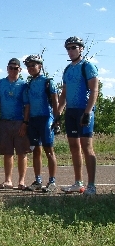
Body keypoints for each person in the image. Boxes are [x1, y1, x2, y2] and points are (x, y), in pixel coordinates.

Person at [57, 36, 98, 195]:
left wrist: (88, 112)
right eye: (68, 48)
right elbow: (64, 94)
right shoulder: (68, 69)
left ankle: (92, 186)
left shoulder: (87, 66)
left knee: (87, 147)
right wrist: (58, 114)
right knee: (74, 147)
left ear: (81, 48)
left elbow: (94, 90)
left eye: (74, 47)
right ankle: (78, 183)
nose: (71, 50)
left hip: (84, 110)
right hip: (71, 112)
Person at [22, 55, 59, 193]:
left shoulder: (48, 81)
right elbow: (28, 105)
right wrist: (26, 122)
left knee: (49, 151)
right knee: (35, 151)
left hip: (46, 119)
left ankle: (52, 182)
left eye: (33, 65)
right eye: (28, 66)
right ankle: (38, 181)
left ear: (40, 66)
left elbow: (55, 101)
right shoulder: (29, 84)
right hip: (33, 120)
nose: (31, 68)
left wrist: (57, 119)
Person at [0, 58, 30, 190]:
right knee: (7, 153)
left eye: (16, 68)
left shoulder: (24, 85)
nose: (13, 70)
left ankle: (21, 181)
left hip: (19, 122)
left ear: (20, 69)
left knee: (22, 152)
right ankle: (8, 180)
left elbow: (27, 106)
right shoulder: (0, 83)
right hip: (5, 121)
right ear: (7, 68)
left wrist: (25, 123)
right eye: (10, 67)